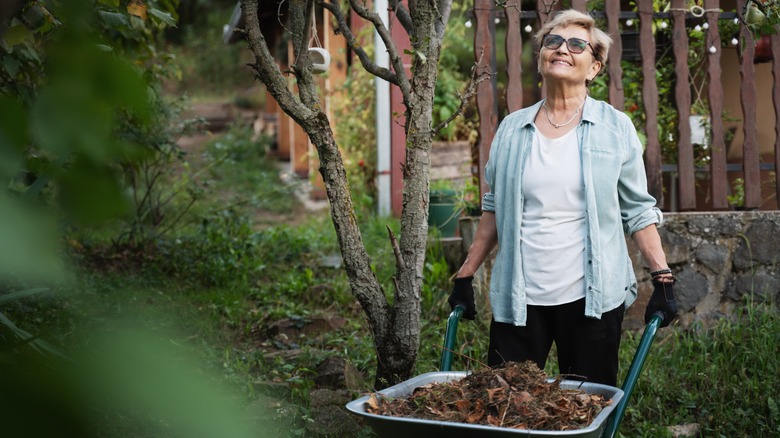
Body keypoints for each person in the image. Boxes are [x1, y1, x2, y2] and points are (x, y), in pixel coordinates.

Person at [448, 9, 677, 387]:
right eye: (552, 42)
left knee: (587, 404)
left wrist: (662, 276)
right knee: (507, 406)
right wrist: (466, 273)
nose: (562, 50)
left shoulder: (614, 127)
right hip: (518, 298)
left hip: (593, 299)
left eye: (576, 44)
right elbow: (493, 208)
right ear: (540, 58)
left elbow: (638, 210)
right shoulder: (511, 129)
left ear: (594, 68)